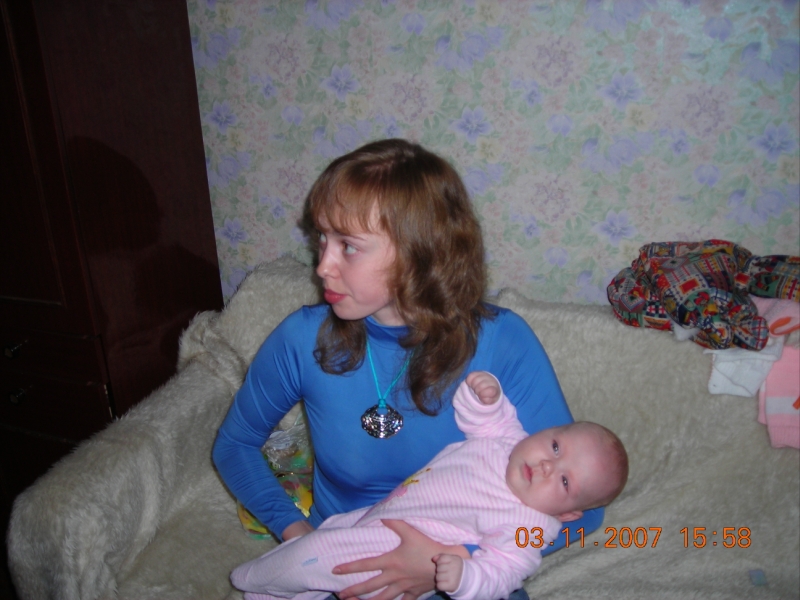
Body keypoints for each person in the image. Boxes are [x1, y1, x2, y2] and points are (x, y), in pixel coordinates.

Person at [212, 138, 605, 600]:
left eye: (348, 246)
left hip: (465, 579)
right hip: (340, 571)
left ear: (418, 252)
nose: (322, 266)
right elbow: (234, 444)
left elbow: (585, 514)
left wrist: (455, 558)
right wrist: (299, 538)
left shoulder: (502, 342)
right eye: (322, 239)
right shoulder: (303, 338)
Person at [229, 371, 628, 600]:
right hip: (381, 515)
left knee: (313, 557)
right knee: (328, 538)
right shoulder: (509, 440)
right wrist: (486, 395)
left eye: (563, 480)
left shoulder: (530, 526)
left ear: (568, 513)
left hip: (392, 552)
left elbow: (504, 572)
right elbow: (481, 417)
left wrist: (466, 577)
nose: (545, 465)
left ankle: (251, 582)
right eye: (555, 446)